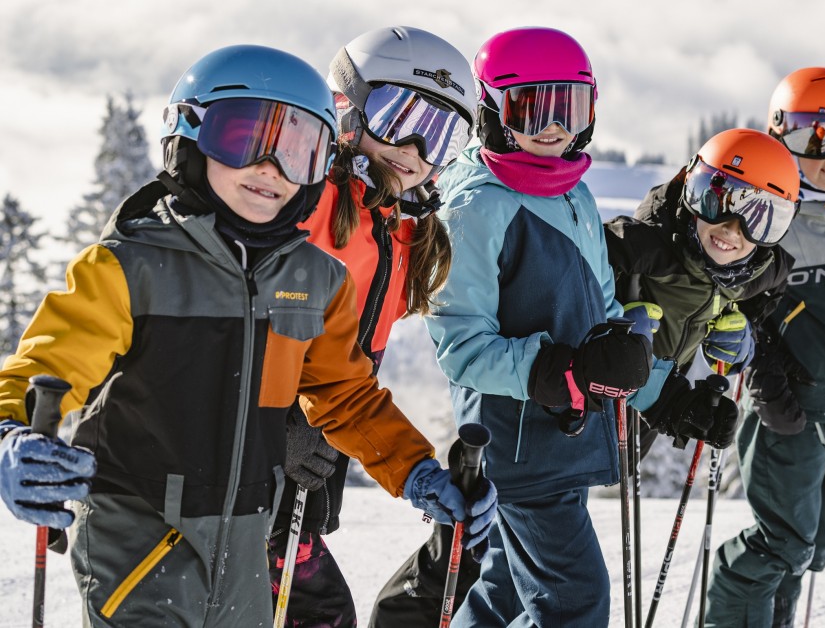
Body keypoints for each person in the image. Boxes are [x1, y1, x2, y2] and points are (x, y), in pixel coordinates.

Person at [0, 44, 497, 628]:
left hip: (245, 542)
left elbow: (345, 394)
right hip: (137, 540)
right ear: (189, 136)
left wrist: (415, 471)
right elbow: (48, 366)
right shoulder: (129, 266)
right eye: (243, 141)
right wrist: (12, 432)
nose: (270, 169)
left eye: (296, 152)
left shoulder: (316, 280)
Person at [421, 26, 738, 628]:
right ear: (491, 109)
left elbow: (605, 326)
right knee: (574, 603)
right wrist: (560, 371)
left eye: (568, 105)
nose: (552, 124)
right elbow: (461, 349)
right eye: (530, 106)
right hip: (517, 446)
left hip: (557, 439)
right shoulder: (474, 208)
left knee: (507, 596)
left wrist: (667, 397)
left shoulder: (572, 192)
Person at [264, 27, 478, 627]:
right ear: (349, 109)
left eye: (439, 133)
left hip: (326, 434)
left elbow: (356, 360)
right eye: (400, 115)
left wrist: (406, 467)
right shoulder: (310, 197)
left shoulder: (402, 227)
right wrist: (272, 429)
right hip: (252, 450)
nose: (412, 146)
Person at [704, 67, 825, 628]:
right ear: (782, 137)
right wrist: (763, 375)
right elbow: (734, 309)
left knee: (822, 542)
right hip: (784, 411)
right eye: (818, 136)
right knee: (783, 542)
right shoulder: (771, 219)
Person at [604, 128, 801, 458]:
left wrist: (744, 331)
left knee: (610, 470)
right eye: (718, 204)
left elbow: (773, 286)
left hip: (648, 415)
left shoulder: (758, 269)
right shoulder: (644, 247)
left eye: (756, 220)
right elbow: (575, 274)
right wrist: (611, 315)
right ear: (693, 191)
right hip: (590, 395)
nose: (731, 229)